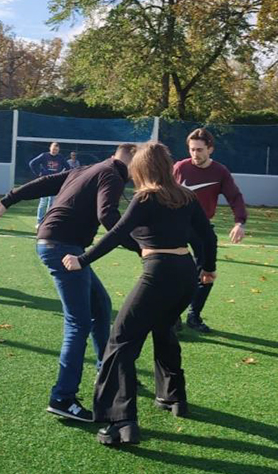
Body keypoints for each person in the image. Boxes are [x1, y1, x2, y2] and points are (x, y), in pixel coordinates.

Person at [62, 142, 217, 446]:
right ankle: (174, 398)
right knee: (164, 329)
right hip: (185, 274)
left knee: (119, 342)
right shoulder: (186, 196)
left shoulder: (145, 198)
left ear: (142, 169)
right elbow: (207, 235)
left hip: (158, 272)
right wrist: (207, 268)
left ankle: (121, 423)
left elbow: (116, 233)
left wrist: (82, 260)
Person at [0, 143, 140, 422]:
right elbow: (108, 215)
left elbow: (44, 183)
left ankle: (106, 370)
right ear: (132, 160)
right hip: (63, 248)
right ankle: (62, 397)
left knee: (100, 305)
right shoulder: (113, 175)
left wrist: (7, 200)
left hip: (58, 244)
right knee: (78, 323)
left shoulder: (88, 168)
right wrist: (141, 247)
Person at [173, 128, 247, 332]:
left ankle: (194, 316)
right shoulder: (180, 167)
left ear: (210, 149)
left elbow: (235, 197)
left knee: (207, 271)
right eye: (191, 149)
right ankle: (173, 316)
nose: (195, 154)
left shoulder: (220, 172)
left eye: (199, 150)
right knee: (175, 271)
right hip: (177, 226)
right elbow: (164, 192)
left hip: (202, 228)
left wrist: (240, 222)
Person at [28, 142, 70, 228]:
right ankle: (39, 222)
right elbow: (32, 163)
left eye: (56, 150)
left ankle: (48, 221)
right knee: (43, 202)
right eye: (54, 149)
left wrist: (62, 175)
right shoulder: (44, 156)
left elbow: (68, 167)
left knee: (52, 203)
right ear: (50, 148)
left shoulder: (60, 157)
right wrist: (38, 173)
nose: (55, 151)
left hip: (55, 182)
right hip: (45, 181)